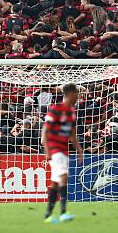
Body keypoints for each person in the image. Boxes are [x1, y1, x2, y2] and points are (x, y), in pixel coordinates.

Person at [41, 83, 84, 223]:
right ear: (70, 93)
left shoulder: (72, 112)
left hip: (64, 149)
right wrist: (47, 151)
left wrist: (79, 150)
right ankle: (64, 212)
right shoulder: (55, 109)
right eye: (77, 93)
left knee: (55, 182)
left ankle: (48, 214)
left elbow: (72, 134)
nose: (78, 96)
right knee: (64, 176)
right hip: (54, 148)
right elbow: (45, 132)